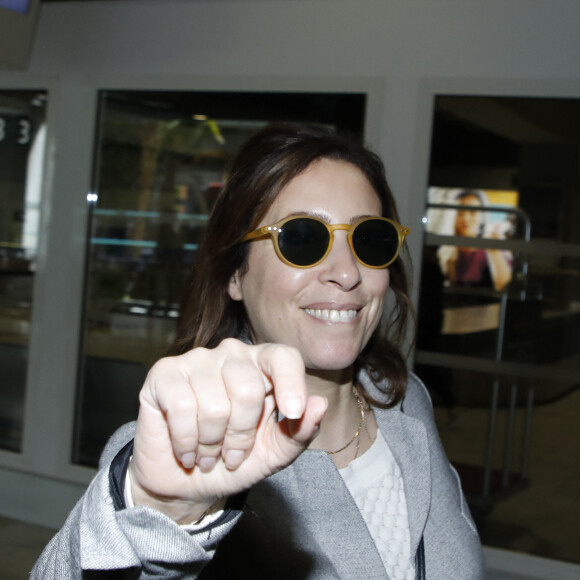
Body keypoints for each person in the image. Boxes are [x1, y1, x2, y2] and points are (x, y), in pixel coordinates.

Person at [32, 123, 485, 579]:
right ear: (235, 275)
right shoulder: (187, 442)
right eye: (303, 238)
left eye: (369, 240)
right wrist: (162, 512)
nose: (347, 273)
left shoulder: (405, 401)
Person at [436, 189, 512, 292]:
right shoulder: (444, 251)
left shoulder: (492, 249)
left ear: (482, 216)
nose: (465, 219)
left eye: (472, 212)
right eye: (460, 212)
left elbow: (505, 285)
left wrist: (496, 252)